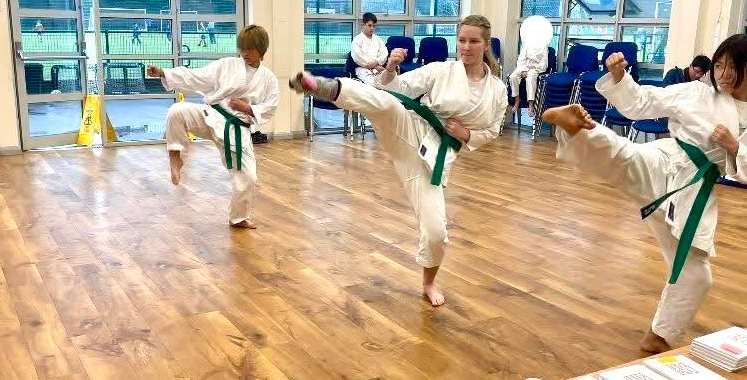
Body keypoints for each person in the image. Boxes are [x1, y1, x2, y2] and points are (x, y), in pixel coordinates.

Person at [541, 34, 747, 353]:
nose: (722, 75)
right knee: (627, 157)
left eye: (732, 68)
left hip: (695, 191)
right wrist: (618, 77)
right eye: (718, 65)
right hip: (667, 159)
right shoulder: (696, 91)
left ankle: (660, 336)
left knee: (697, 276)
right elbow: (643, 103)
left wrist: (735, 148)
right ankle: (577, 125)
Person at [289, 15, 508, 306]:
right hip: (411, 127)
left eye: (473, 41)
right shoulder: (442, 70)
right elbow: (396, 88)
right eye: (462, 40)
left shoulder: (497, 90)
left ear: (486, 44)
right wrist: (390, 67)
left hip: (433, 158)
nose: (466, 47)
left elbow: (492, 130)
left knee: (435, 231)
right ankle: (324, 87)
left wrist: (466, 133)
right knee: (387, 104)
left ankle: (429, 283)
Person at [146, 25, 279, 229]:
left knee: (248, 177)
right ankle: (175, 155)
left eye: (250, 49)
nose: (244, 53)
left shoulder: (268, 78)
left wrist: (248, 108)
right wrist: (164, 72)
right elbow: (196, 76)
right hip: (211, 115)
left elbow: (270, 107)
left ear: (262, 49)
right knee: (177, 111)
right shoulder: (227, 65)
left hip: (236, 129)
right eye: (242, 48)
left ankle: (239, 217)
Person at [507, 43, 547, 115]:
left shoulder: (544, 47)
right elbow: (521, 60)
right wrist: (524, 70)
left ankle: (531, 105)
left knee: (530, 78)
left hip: (536, 68)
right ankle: (517, 100)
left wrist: (534, 66)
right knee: (513, 77)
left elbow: (544, 64)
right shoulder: (526, 46)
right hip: (524, 67)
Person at [350, 12, 388, 84]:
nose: (372, 28)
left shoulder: (378, 39)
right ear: (363, 25)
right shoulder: (357, 40)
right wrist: (375, 66)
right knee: (372, 83)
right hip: (362, 68)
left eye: (373, 26)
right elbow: (357, 56)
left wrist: (376, 62)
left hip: (378, 67)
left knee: (387, 82)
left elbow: (384, 53)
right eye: (369, 25)